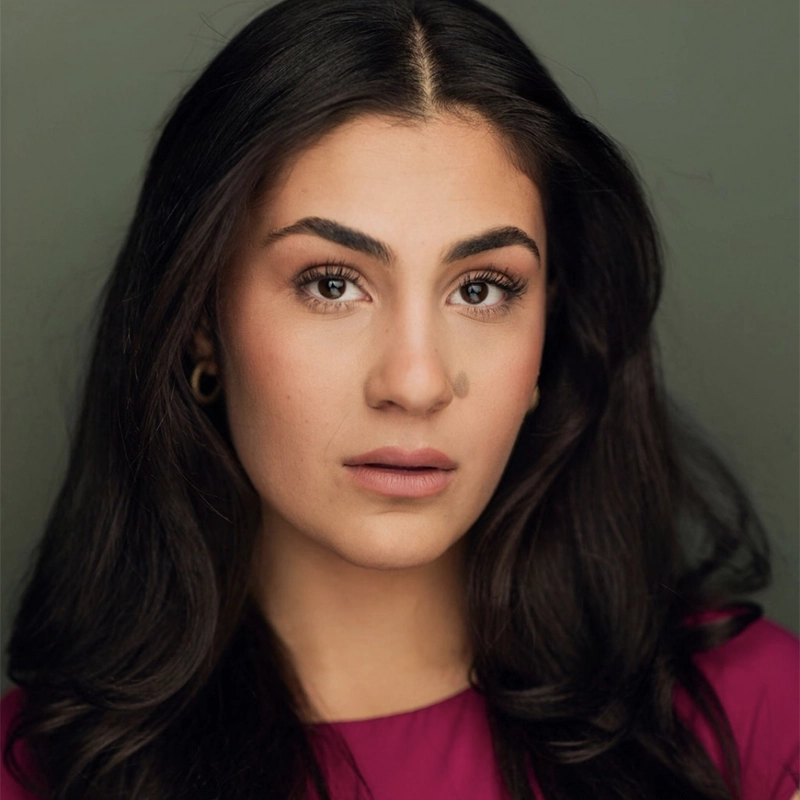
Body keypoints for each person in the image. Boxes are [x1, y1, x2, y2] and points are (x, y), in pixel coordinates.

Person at [1, 0, 797, 798]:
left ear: (548, 336)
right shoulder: (36, 774)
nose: (415, 383)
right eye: (333, 283)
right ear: (201, 324)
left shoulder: (756, 720)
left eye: (482, 289)